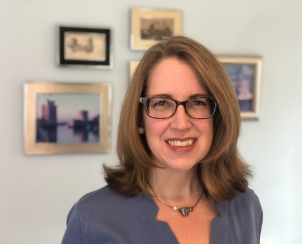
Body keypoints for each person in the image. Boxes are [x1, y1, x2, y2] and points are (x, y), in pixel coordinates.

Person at [61, 36, 263, 244]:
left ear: (217, 116)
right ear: (139, 118)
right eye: (161, 103)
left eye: (197, 102)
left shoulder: (246, 206)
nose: (181, 124)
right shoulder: (92, 219)